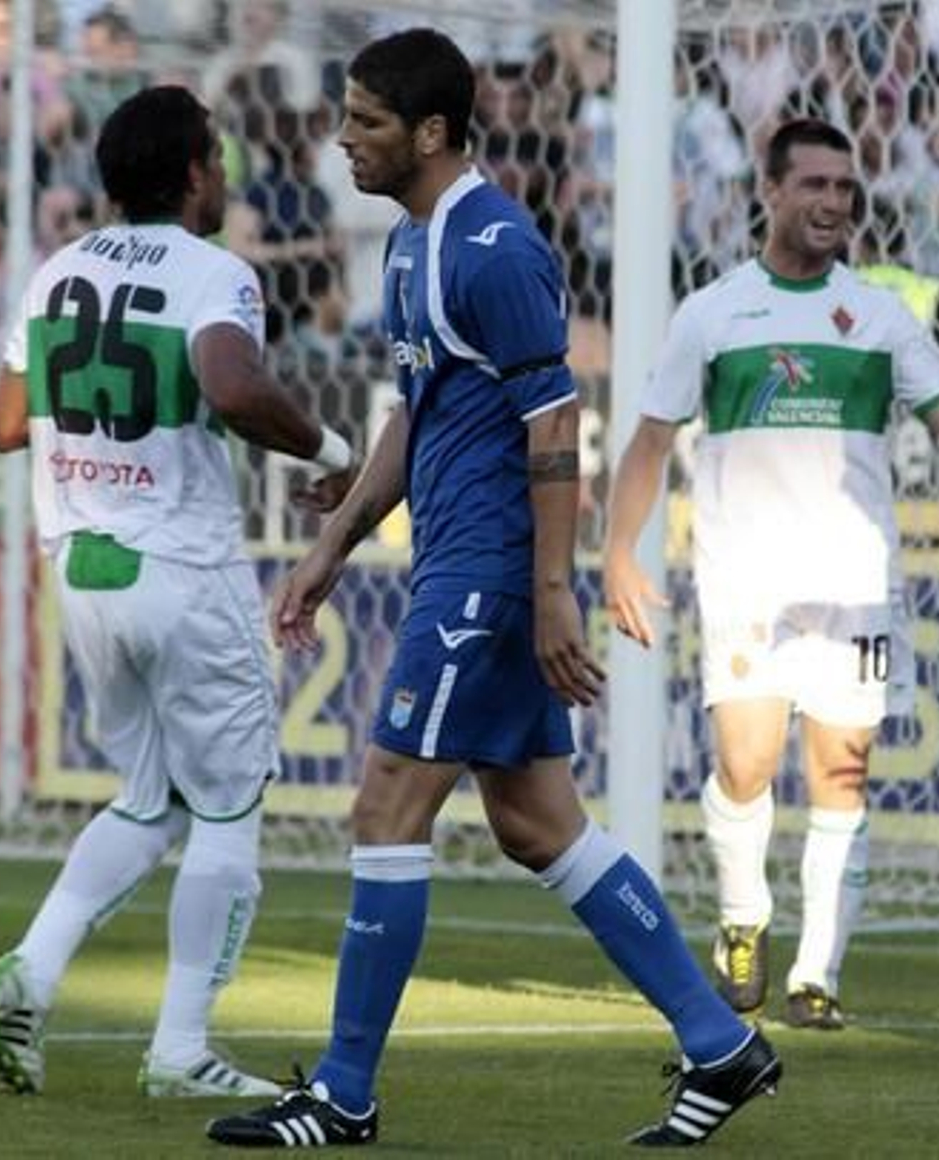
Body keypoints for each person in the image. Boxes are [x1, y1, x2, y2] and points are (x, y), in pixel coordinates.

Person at [205, 29, 778, 1150]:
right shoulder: (415, 245)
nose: (342, 138)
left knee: (384, 806)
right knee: (535, 822)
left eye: (365, 121)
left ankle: (344, 1092)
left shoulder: (494, 244)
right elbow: (415, 410)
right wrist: (330, 549)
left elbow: (552, 421)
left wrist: (552, 589)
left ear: (429, 132)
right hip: (457, 563)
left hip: (489, 579)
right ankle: (721, 1043)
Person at [603, 118, 939, 1031]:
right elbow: (652, 439)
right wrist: (620, 548)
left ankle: (819, 973)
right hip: (744, 582)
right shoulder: (714, 311)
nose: (831, 203)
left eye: (845, 189)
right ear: (769, 194)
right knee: (745, 765)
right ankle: (743, 919)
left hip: (854, 580)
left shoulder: (880, 314)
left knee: (840, 776)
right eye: (813, 185)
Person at [0, 85, 356, 1098]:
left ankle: (33, 968)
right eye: (218, 160)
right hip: (182, 568)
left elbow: (5, 424)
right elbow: (232, 386)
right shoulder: (213, 272)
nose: (225, 177)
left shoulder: (59, 271)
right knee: (229, 804)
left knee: (150, 798)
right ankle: (181, 1046)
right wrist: (332, 449)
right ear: (193, 172)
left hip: (85, 572)